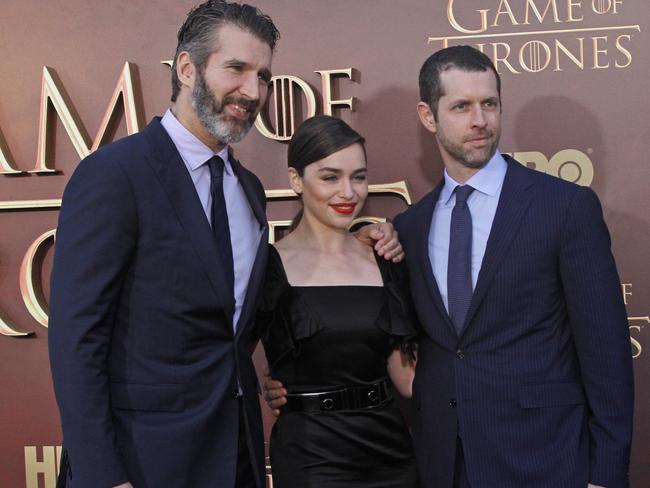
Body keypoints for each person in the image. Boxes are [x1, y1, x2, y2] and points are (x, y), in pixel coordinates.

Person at [48, 2, 402, 488]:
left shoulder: (248, 189)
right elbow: (76, 339)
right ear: (188, 68)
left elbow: (237, 324)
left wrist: (358, 242)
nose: (252, 91)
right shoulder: (115, 175)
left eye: (263, 76)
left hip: (236, 455)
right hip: (144, 459)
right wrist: (102, 475)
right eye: (236, 69)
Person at [264, 46, 634, 488]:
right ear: (428, 115)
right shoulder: (410, 230)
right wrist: (294, 383)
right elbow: (388, 343)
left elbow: (607, 353)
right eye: (461, 106)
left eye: (489, 103)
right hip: (441, 463)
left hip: (545, 459)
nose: (480, 120)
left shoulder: (564, 208)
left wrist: (606, 474)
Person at [258, 115, 418, 487]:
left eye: (358, 176)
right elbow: (227, 355)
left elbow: (407, 379)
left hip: (391, 452)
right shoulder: (267, 266)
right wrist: (267, 385)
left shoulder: (384, 256)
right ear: (296, 179)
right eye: (330, 177)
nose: (348, 192)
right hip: (312, 459)